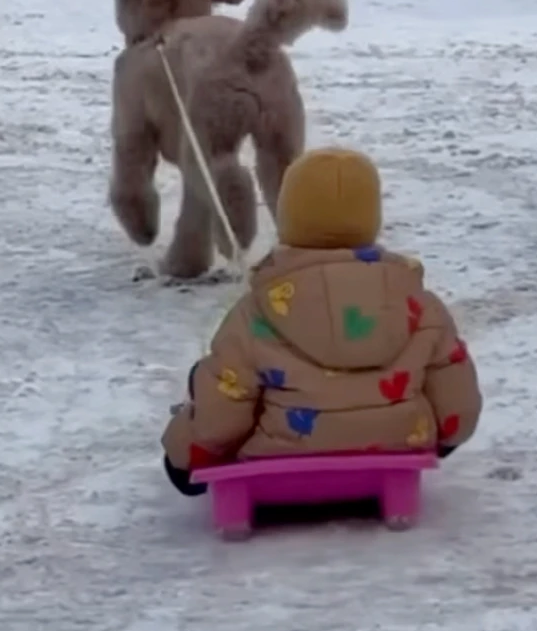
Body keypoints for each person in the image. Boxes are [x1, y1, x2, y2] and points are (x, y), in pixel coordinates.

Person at [161, 147, 483, 496]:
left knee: (213, 377)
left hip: (279, 461)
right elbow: (457, 401)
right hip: (395, 449)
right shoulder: (418, 304)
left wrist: (184, 456)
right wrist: (443, 437)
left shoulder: (255, 311)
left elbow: (221, 416)